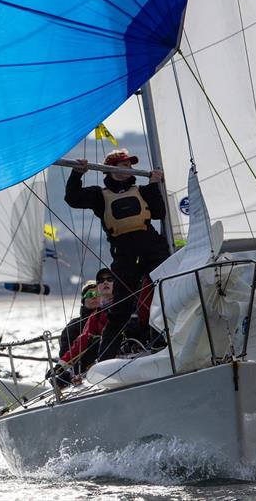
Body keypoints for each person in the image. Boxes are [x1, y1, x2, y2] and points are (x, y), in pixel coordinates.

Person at [65, 149, 170, 361]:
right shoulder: (99, 195)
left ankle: (164, 344)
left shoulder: (143, 190)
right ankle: (105, 361)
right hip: (124, 255)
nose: (127, 170)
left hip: (152, 250)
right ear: (111, 169)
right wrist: (77, 173)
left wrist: (154, 184)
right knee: (120, 308)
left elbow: (159, 213)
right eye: (122, 166)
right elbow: (73, 199)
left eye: (129, 167)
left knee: (166, 293)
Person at [58, 280, 99, 358]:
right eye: (90, 294)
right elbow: (64, 354)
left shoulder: (111, 318)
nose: (94, 297)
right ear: (83, 301)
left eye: (97, 294)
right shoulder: (73, 326)